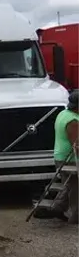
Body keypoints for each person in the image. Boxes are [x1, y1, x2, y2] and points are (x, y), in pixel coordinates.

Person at [52, 89, 79, 224]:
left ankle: (58, 207)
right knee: (75, 188)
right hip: (70, 160)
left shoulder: (63, 113)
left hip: (60, 156)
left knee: (68, 185)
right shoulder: (73, 121)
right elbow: (77, 145)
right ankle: (76, 217)